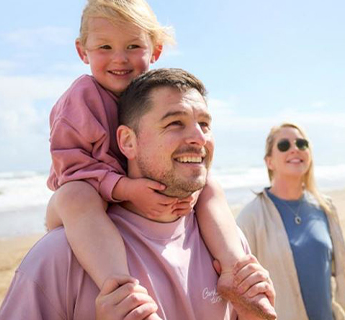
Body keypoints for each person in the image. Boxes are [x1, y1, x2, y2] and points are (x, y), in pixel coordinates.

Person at [44, 0, 274, 317]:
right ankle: (122, 292)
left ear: (156, 50)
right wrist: (126, 188)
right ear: (83, 51)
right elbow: (71, 168)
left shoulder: (154, 94)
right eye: (105, 47)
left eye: (133, 45)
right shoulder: (80, 100)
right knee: (75, 195)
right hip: (84, 194)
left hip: (136, 194)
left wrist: (186, 192)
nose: (119, 58)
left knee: (210, 188)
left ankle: (236, 269)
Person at [0, 68, 274, 319]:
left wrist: (254, 315)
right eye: (175, 123)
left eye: (204, 124)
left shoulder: (225, 243)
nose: (199, 138)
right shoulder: (61, 255)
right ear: (127, 141)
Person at [235, 123, 345, 320]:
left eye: (302, 144)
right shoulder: (251, 216)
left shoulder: (325, 208)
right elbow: (238, 288)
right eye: (284, 145)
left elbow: (339, 277)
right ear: (269, 161)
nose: (295, 149)